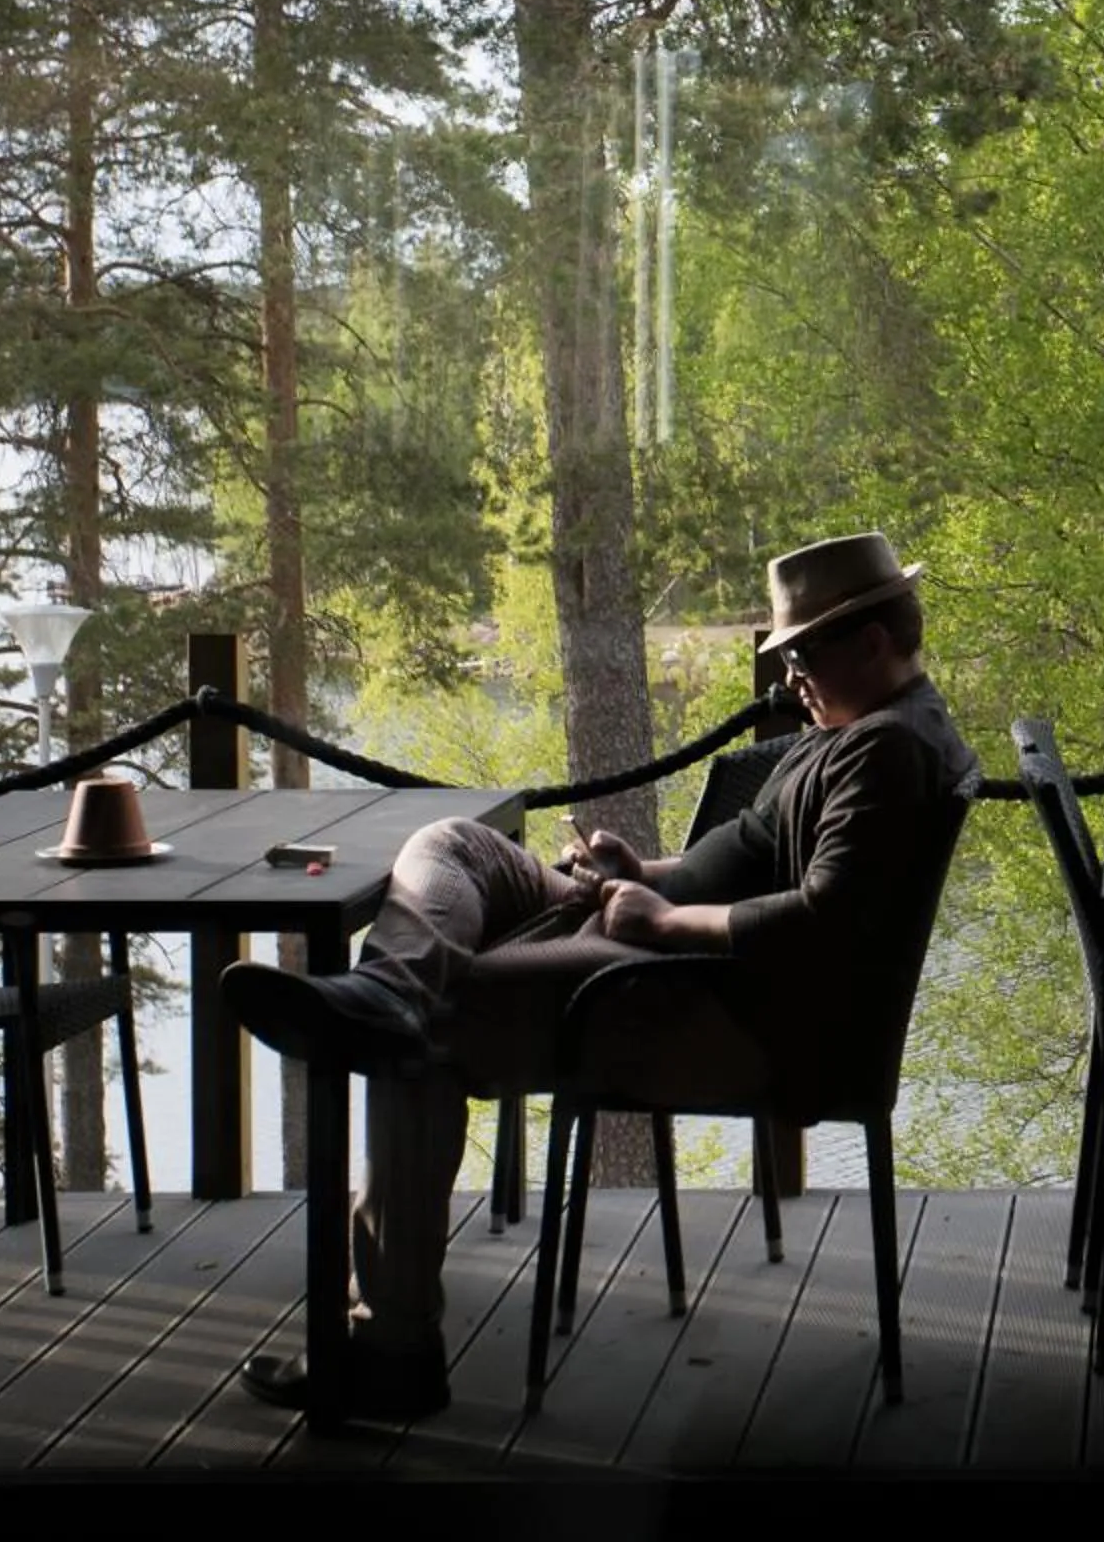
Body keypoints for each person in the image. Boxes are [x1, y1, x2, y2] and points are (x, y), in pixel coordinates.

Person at [219, 529, 979, 1420]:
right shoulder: (850, 731)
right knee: (455, 844)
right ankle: (389, 990)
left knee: (431, 1031)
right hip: (661, 950)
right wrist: (642, 872)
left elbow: (824, 922)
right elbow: (745, 860)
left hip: (721, 1007)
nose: (788, 676)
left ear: (873, 642)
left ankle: (391, 1347)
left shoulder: (889, 753)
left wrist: (661, 921)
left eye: (802, 654)